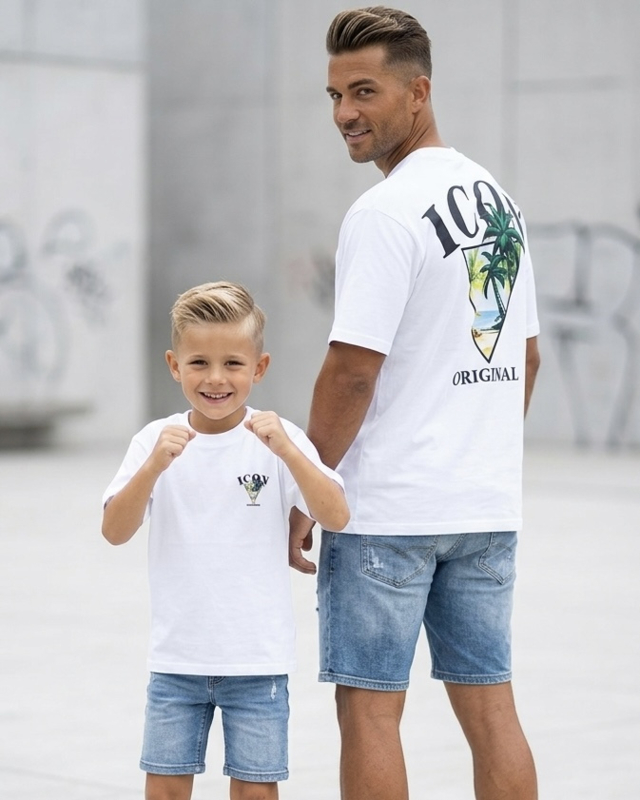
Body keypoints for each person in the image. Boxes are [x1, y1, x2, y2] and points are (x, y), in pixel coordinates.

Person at [288, 7, 541, 800]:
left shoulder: (384, 212)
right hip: (483, 506)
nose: (344, 113)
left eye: (364, 91)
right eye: (335, 95)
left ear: (418, 92)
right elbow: (526, 356)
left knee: (370, 712)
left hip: (388, 512)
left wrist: (308, 485)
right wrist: (473, 453)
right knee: (490, 707)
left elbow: (351, 373)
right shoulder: (499, 202)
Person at [102, 281, 349, 800]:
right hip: (177, 662)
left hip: (257, 664)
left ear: (259, 368)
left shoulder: (277, 438)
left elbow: (337, 515)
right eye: (199, 363)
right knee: (164, 789)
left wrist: (290, 452)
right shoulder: (153, 440)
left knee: (256, 792)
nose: (216, 378)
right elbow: (115, 531)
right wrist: (152, 467)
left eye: (233, 363)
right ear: (174, 365)